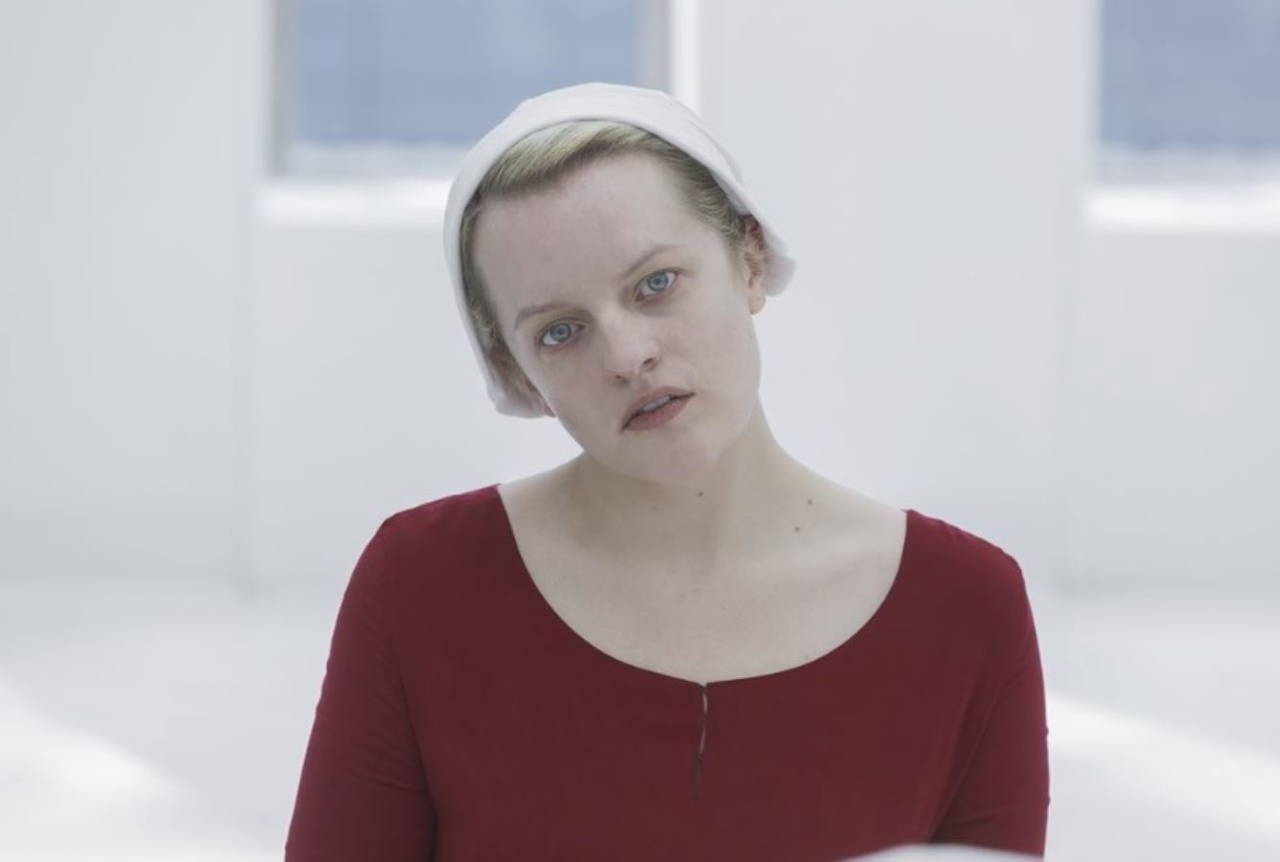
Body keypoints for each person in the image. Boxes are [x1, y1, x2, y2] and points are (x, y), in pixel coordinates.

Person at [284, 83, 1050, 861]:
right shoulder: (423, 587)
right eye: (560, 332)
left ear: (750, 261)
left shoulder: (965, 607)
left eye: (656, 284)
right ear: (518, 377)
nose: (627, 356)